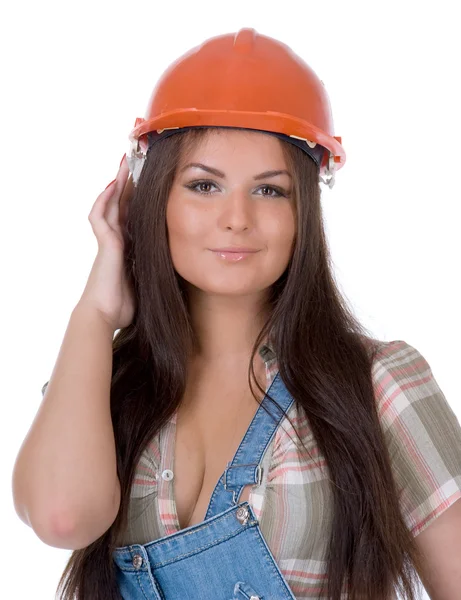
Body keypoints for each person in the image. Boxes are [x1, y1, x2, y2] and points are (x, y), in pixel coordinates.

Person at [12, 28, 461, 600]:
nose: (236, 219)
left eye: (270, 192)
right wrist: (97, 313)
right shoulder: (105, 380)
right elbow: (61, 517)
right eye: (204, 185)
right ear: (152, 200)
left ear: (306, 211)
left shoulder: (379, 386)